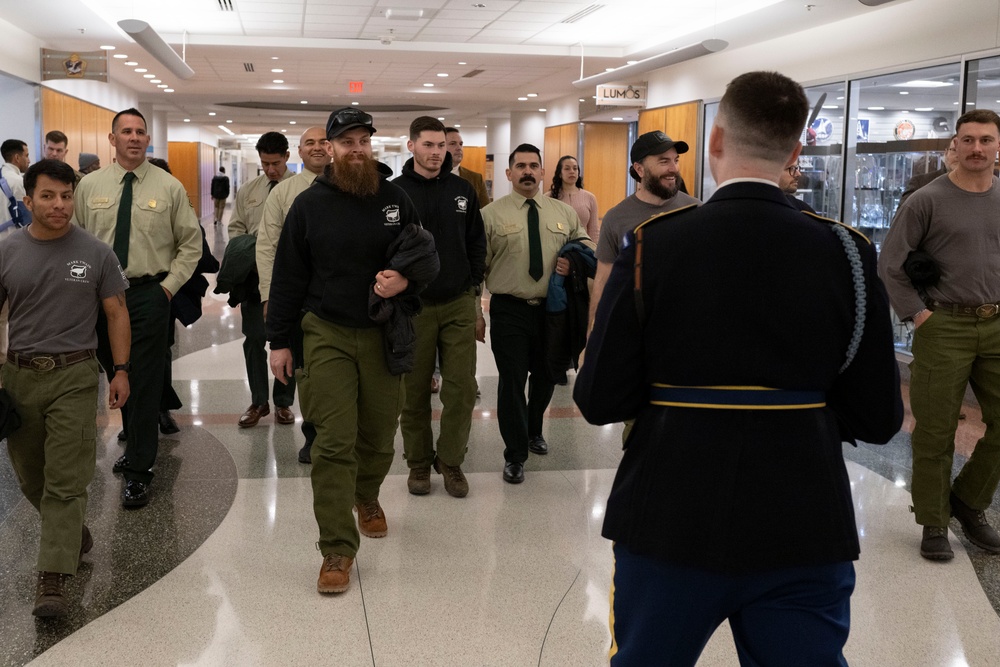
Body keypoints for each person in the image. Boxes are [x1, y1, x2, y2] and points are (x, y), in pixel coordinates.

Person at [575, 71, 902, 665]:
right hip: (804, 517)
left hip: (669, 513)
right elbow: (878, 415)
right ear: (795, 150)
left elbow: (599, 397)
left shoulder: (652, 245)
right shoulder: (849, 251)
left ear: (715, 141)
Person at [267, 108, 436, 594]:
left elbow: (425, 255)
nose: (356, 149)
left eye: (364, 141)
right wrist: (279, 339)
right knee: (333, 441)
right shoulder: (308, 206)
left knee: (381, 436)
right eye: (347, 142)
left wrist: (404, 279)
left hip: (384, 332)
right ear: (330, 149)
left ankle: (366, 495)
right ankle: (336, 549)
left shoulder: (395, 198)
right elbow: (288, 278)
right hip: (326, 332)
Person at [0, 159, 130, 617]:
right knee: (31, 476)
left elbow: (116, 311)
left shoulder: (95, 252)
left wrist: (120, 370)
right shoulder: (7, 250)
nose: (59, 205)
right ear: (28, 199)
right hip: (18, 377)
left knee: (64, 481)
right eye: (49, 196)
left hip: (74, 375)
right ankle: (72, 533)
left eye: (66, 196)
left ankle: (51, 580)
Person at [879, 109, 1000, 561]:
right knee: (935, 428)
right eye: (968, 139)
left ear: (997, 147)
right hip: (944, 324)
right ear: (957, 144)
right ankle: (933, 519)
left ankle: (968, 504)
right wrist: (919, 314)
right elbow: (890, 264)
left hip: (996, 324)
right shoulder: (927, 200)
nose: (976, 148)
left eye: (986, 140)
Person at [75, 107, 202, 509]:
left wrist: (167, 289)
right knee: (116, 375)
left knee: (143, 381)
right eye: (126, 132)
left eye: (140, 132)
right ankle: (135, 447)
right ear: (112, 140)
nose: (134, 137)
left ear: (148, 140)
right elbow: (75, 238)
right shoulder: (89, 186)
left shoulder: (169, 187)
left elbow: (191, 244)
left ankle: (139, 471)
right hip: (99, 297)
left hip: (147, 295)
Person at [479, 143, 591, 484]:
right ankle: (515, 454)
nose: (528, 171)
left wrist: (573, 257)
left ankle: (533, 429)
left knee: (545, 376)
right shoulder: (491, 215)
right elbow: (477, 268)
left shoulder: (564, 213)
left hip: (552, 311)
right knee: (512, 381)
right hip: (509, 308)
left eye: (534, 166)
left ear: (543, 173)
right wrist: (475, 312)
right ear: (509, 173)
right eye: (521, 166)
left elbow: (586, 247)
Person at [393, 116, 486, 498]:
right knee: (412, 391)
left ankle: (450, 460)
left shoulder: (463, 190)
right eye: (428, 145)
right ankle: (418, 462)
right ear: (411, 145)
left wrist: (474, 291)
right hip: (412, 306)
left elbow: (476, 243)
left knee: (461, 388)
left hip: (458, 301)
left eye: (441, 145)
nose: (436, 153)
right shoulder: (394, 193)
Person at [257, 125, 331, 463]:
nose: (317, 147)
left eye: (323, 141)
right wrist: (269, 296)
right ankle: (314, 435)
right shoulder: (284, 194)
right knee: (308, 372)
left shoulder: (353, 187)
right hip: (301, 300)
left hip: (343, 298)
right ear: (298, 153)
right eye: (309, 143)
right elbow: (268, 247)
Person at [589, 131, 700, 327]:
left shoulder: (697, 211)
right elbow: (603, 280)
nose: (674, 168)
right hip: (633, 324)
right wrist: (593, 330)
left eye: (676, 160)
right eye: (663, 161)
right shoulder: (616, 218)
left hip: (686, 324)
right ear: (639, 169)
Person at [228, 131, 296, 429]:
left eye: (276, 163)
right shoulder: (248, 190)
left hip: (291, 277)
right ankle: (259, 401)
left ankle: (283, 402)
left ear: (287, 158)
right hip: (254, 277)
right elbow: (236, 228)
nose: (270, 169)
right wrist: (246, 252)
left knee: (289, 339)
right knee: (254, 339)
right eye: (265, 163)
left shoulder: (301, 190)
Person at [897, 135, 958, 208]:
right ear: (946, 153)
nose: (958, 155)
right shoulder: (920, 183)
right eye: (954, 150)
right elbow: (902, 217)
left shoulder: (973, 188)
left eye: (963, 151)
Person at [547, 155, 598, 241]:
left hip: (582, 249)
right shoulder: (548, 197)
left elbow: (594, 231)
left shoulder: (590, 198)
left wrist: (594, 251)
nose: (572, 172)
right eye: (567, 169)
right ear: (560, 173)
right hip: (556, 249)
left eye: (575, 168)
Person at [446, 127, 490, 209]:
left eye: (461, 144)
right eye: (453, 143)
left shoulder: (476, 178)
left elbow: (486, 211)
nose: (459, 148)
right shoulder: (431, 176)